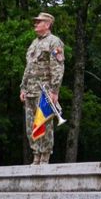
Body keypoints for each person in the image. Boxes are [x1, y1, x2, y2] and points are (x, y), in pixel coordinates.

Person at [19, 11, 65, 165]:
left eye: (39, 22)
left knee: (44, 123)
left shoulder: (54, 42)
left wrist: (54, 91)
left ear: (47, 24)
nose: (36, 24)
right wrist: (23, 88)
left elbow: (57, 67)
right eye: (36, 21)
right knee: (31, 125)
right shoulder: (34, 43)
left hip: (44, 90)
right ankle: (36, 154)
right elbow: (28, 67)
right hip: (31, 90)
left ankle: (44, 156)